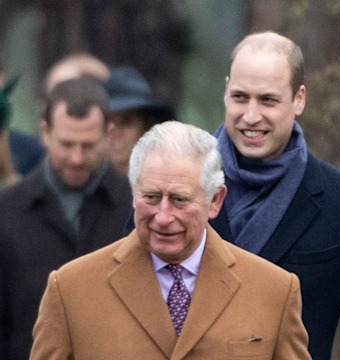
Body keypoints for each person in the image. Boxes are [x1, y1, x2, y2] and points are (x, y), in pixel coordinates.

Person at [30, 121, 311, 360]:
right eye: (151, 197)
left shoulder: (274, 291)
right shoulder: (70, 290)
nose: (163, 217)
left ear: (215, 201)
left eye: (179, 200)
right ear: (133, 192)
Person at [209, 31, 340, 360]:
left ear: (299, 99)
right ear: (226, 91)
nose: (250, 115)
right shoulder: (176, 186)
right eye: (240, 97)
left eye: (268, 100)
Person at [0, 76, 133, 360]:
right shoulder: (6, 211)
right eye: (66, 143)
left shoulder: (136, 207)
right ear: (44, 133)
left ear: (108, 135)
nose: (76, 158)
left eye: (88, 145)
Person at [104, 66, 175, 174]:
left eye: (126, 121)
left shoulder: (167, 182)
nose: (115, 131)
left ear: (147, 127)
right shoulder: (79, 184)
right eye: (107, 121)